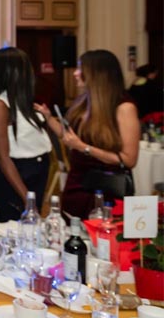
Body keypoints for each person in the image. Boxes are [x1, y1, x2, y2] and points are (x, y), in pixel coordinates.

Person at [35, 50, 140, 219]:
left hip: (105, 188)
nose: (75, 73)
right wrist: (49, 118)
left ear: (97, 74)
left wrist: (84, 148)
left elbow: (129, 160)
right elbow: (69, 137)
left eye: (80, 68)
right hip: (76, 183)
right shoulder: (84, 102)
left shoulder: (124, 107)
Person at [0, 48, 52, 221]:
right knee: (12, 229)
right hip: (12, 178)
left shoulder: (21, 99)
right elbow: (2, 157)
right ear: (14, 72)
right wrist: (28, 200)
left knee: (28, 230)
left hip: (31, 175)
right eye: (26, 67)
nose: (31, 72)